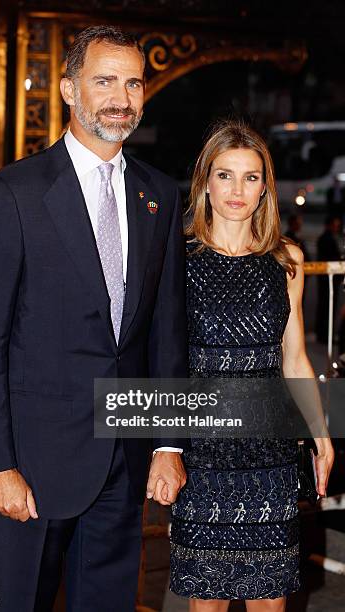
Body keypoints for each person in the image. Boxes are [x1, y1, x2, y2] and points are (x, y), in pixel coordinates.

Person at [0, 26, 187, 612]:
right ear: (68, 88)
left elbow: (164, 332)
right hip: (33, 462)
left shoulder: (158, 195)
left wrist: (166, 444)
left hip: (124, 453)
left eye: (133, 83)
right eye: (104, 80)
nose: (121, 97)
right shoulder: (14, 192)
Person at [169, 120, 334, 611]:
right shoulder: (176, 259)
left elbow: (295, 357)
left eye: (251, 177)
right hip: (202, 452)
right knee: (208, 602)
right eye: (225, 175)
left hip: (271, 453)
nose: (237, 190)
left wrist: (321, 435)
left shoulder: (287, 260)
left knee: (270, 601)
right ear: (205, 182)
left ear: (265, 188)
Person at [315, 214, 342, 343]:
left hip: (328, 279)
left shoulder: (329, 238)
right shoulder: (326, 239)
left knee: (327, 307)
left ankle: (324, 334)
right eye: (335, 225)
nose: (336, 228)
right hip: (327, 279)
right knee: (327, 307)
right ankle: (324, 335)